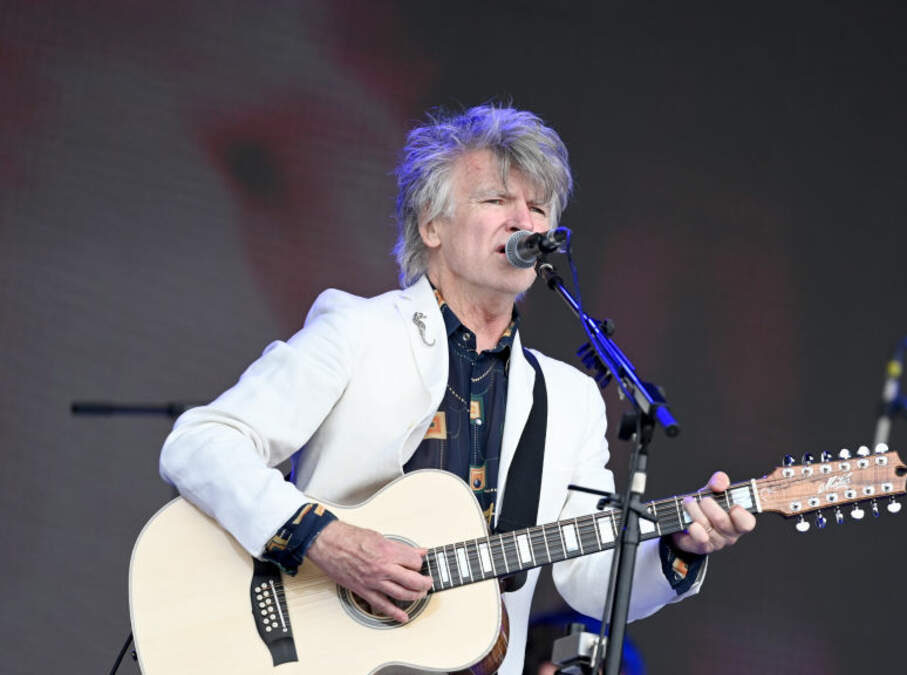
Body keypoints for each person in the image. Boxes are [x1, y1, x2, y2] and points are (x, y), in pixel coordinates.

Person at [160, 104, 755, 674]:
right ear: (431, 225)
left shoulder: (569, 398)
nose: (524, 221)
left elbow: (592, 581)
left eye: (538, 207)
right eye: (496, 200)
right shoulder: (359, 332)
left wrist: (678, 549)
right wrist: (328, 540)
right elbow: (201, 444)